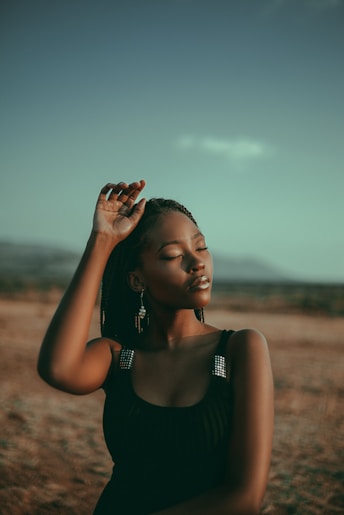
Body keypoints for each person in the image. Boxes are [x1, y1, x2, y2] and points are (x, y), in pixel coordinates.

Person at [37, 180, 274, 514]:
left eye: (201, 247)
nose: (197, 263)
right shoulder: (117, 357)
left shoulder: (240, 348)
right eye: (174, 255)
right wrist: (102, 240)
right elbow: (58, 369)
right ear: (137, 280)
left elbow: (244, 497)